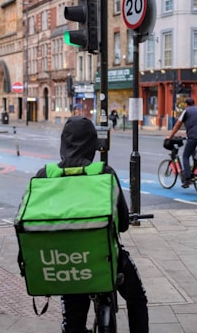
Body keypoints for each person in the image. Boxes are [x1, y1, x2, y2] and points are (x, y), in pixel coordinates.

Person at [35, 116, 149, 333]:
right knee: (137, 298)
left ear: (64, 143)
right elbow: (123, 224)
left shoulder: (44, 176)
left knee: (73, 320)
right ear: (92, 145)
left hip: (65, 263)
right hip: (104, 260)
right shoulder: (105, 173)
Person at [168, 97, 197, 188]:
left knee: (185, 156)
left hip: (194, 136)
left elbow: (178, 125)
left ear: (186, 104)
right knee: (192, 145)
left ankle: (187, 179)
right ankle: (195, 163)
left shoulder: (186, 111)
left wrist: (171, 136)